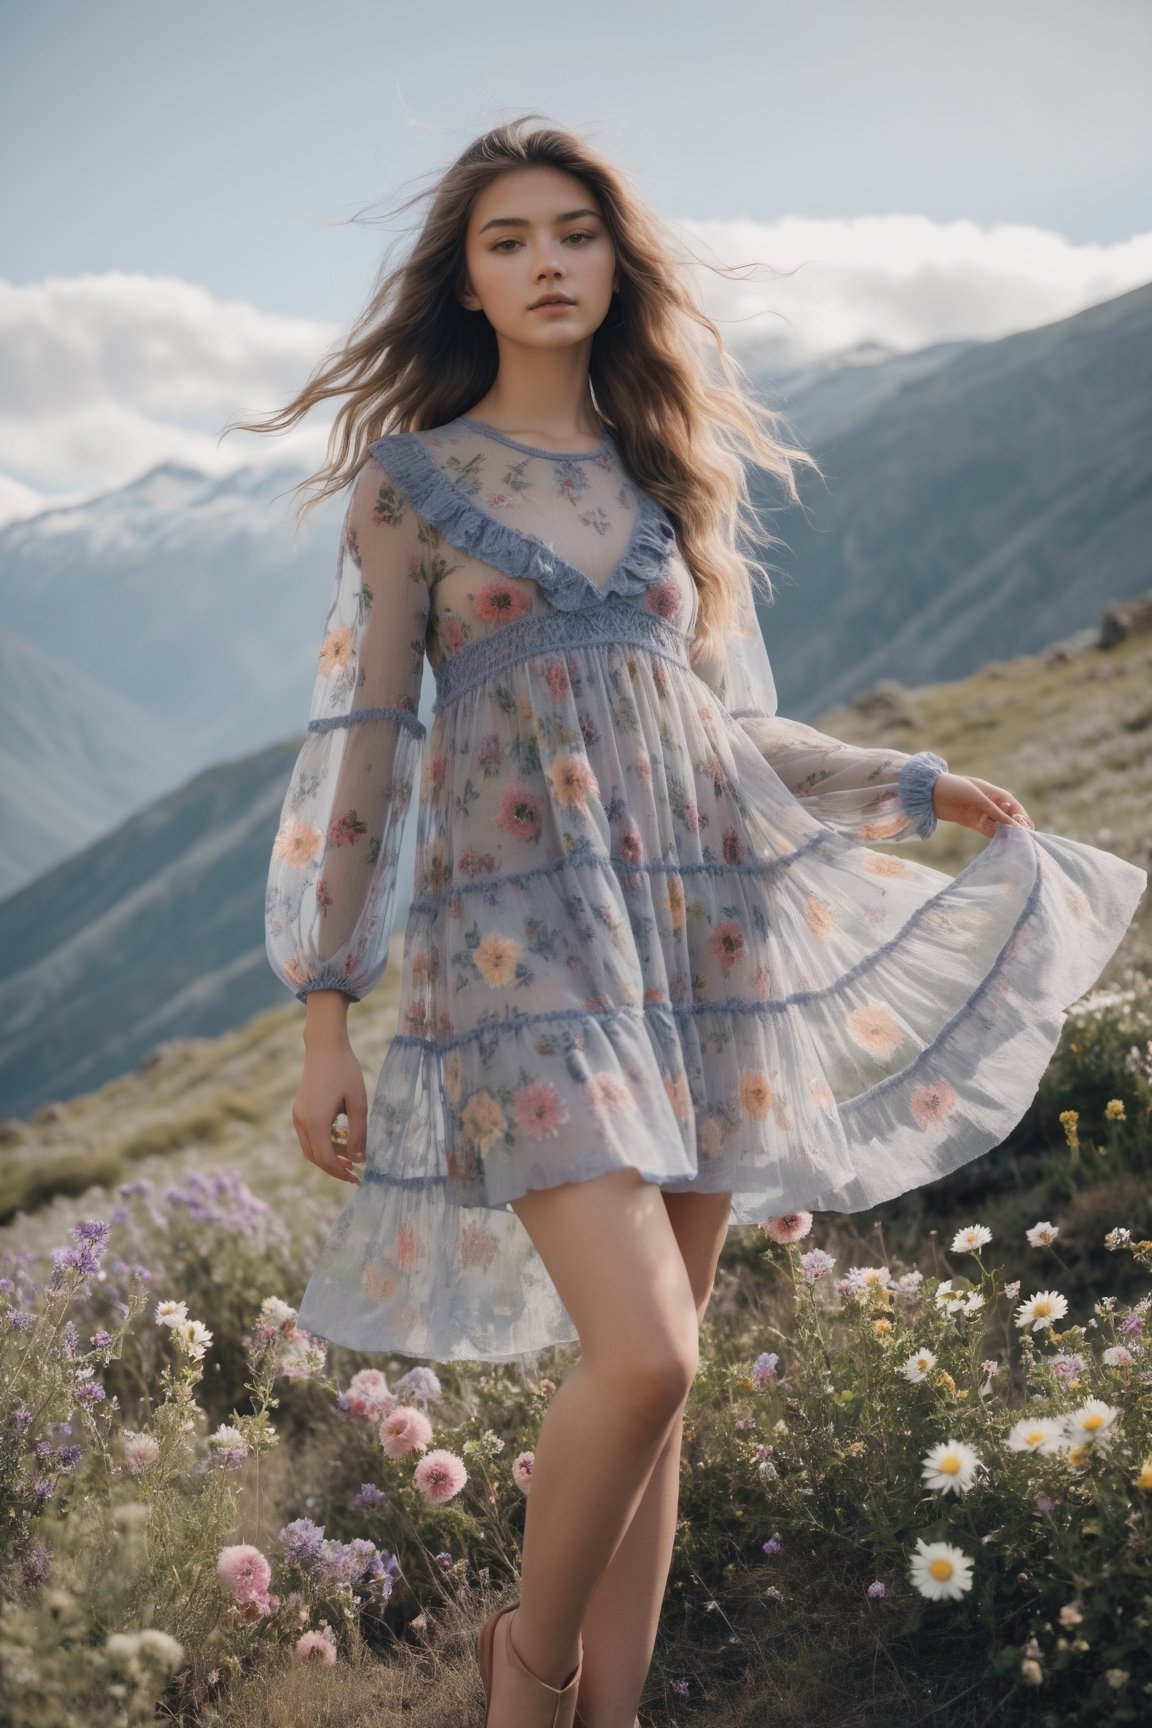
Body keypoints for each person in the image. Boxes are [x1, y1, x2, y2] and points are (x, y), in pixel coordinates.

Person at [233, 117, 1147, 1728]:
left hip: (696, 947)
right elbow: (366, 753)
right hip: (518, 965)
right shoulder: (413, 488)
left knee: (667, 1388)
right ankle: (530, 1671)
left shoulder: (664, 482)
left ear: (614, 258)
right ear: (468, 276)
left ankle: (617, 1712)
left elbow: (710, 737)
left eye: (573, 232)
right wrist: (326, 1008)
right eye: (508, 239)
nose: (546, 263)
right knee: (641, 1353)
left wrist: (909, 783)